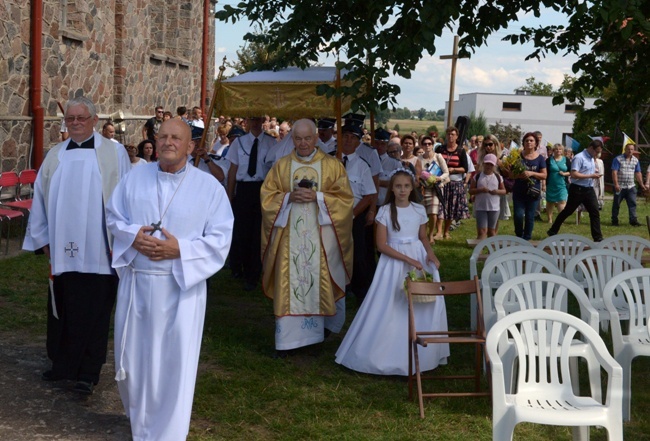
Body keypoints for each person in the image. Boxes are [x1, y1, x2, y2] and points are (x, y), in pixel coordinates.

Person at [106, 118, 234, 441]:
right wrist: (133, 236)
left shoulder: (209, 189)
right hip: (137, 284)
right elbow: (113, 216)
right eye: (162, 136)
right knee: (132, 366)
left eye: (176, 137)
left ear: (190, 146)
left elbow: (221, 238)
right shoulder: (135, 177)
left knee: (172, 367)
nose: (167, 142)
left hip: (180, 288)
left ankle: (167, 434)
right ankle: (141, 425)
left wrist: (181, 250)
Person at [23, 96, 131, 394]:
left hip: (100, 251)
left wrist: (122, 241)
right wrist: (42, 239)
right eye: (70, 118)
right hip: (62, 250)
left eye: (81, 118)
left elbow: (126, 198)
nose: (75, 123)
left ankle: (87, 372)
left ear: (94, 120)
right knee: (64, 308)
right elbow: (41, 199)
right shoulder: (55, 155)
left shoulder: (115, 153)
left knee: (95, 311)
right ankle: (62, 365)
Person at [335, 168, 448, 375]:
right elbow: (381, 245)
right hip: (395, 261)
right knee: (390, 304)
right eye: (398, 186)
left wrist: (430, 254)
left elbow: (422, 237)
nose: (402, 190)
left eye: (406, 186)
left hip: (418, 256)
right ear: (392, 189)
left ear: (412, 187)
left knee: (422, 304)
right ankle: (385, 352)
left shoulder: (419, 210)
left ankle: (424, 354)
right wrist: (407, 259)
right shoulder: (386, 211)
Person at [260, 119, 353, 357]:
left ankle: (315, 338)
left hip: (320, 239)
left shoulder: (332, 166)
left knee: (316, 282)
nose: (303, 143)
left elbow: (344, 200)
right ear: (292, 139)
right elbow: (267, 197)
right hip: (288, 239)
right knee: (289, 282)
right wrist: (288, 198)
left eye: (307, 138)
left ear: (316, 138)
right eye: (298, 138)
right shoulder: (281, 166)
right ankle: (287, 341)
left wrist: (319, 198)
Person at [226, 116, 277, 291]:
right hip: (244, 189)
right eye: (252, 120)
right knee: (243, 232)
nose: (255, 123)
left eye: (258, 119)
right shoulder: (239, 142)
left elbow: (274, 170)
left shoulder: (272, 143)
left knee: (258, 233)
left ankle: (253, 275)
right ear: (247, 122)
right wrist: (229, 194)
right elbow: (233, 169)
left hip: (262, 189)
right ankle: (240, 266)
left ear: (263, 121)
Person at [339, 119, 377, 305]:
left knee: (357, 254)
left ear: (358, 142)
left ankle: (359, 290)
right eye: (344, 136)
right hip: (330, 215)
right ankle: (338, 286)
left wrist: (352, 215)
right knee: (333, 252)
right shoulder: (330, 161)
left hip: (354, 216)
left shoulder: (362, 166)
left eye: (352, 138)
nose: (347, 140)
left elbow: (369, 195)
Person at [547, 140, 605, 242]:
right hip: (577, 189)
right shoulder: (579, 157)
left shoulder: (591, 158)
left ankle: (598, 237)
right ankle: (553, 230)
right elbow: (574, 174)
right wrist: (591, 175)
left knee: (595, 212)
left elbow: (585, 171)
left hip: (589, 189)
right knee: (568, 211)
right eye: (596, 151)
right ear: (591, 148)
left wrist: (593, 172)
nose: (597, 154)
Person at [503, 132, 547, 240]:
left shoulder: (540, 158)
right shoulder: (517, 156)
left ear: (536, 143)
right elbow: (510, 175)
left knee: (529, 216)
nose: (529, 142)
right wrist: (519, 174)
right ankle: (519, 235)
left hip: (533, 191)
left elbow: (544, 175)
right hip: (519, 191)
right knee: (518, 215)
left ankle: (527, 238)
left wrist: (531, 173)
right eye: (526, 140)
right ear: (523, 143)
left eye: (531, 140)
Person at [435, 126, 469, 239]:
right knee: (440, 206)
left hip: (455, 182)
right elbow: (433, 163)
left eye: (453, 134)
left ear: (457, 137)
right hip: (441, 181)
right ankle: (438, 231)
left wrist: (453, 170)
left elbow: (465, 168)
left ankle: (446, 231)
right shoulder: (440, 149)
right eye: (448, 134)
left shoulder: (460, 151)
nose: (450, 136)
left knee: (450, 207)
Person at [419, 135, 449, 242]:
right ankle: (422, 235)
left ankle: (430, 234)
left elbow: (446, 172)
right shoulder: (419, 159)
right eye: (425, 144)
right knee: (422, 214)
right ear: (421, 145)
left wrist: (439, 178)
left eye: (429, 144)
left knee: (433, 213)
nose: (427, 146)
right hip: (422, 189)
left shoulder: (438, 156)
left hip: (435, 189)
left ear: (432, 145)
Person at [469, 154, 506, 239]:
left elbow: (504, 191)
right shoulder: (477, 176)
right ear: (483, 164)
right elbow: (470, 190)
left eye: (491, 164)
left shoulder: (498, 177)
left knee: (491, 231)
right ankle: (479, 250)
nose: (489, 166)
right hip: (481, 207)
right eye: (487, 164)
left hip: (494, 208)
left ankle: (493, 250)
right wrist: (480, 190)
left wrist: (497, 191)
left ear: (494, 166)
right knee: (482, 231)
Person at [611, 143, 646, 226]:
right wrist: (616, 184)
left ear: (633, 150)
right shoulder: (618, 159)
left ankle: (633, 220)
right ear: (625, 150)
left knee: (632, 204)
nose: (630, 151)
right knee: (616, 204)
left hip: (631, 186)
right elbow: (614, 172)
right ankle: (614, 220)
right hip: (620, 186)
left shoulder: (635, 160)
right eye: (628, 149)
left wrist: (641, 185)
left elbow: (638, 173)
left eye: (632, 149)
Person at [545, 143, 570, 224]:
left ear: (562, 151)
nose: (558, 151)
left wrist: (564, 174)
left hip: (562, 185)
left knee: (562, 201)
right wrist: (543, 184)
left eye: (560, 149)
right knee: (550, 202)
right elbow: (545, 172)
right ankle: (549, 219)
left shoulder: (566, 160)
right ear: (553, 151)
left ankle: (560, 220)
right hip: (551, 184)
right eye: (556, 149)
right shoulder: (549, 160)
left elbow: (572, 171)